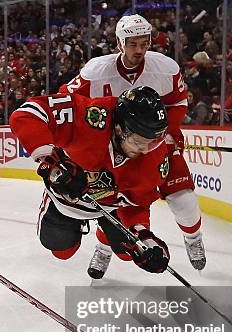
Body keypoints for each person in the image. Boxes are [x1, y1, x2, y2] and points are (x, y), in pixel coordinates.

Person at [59, 14, 205, 279]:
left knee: (184, 198)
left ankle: (193, 238)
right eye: (132, 44)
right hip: (112, 152)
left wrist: (168, 132)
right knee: (111, 203)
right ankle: (104, 249)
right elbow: (65, 100)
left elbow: (178, 102)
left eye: (144, 43)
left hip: (155, 146)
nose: (139, 50)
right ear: (119, 43)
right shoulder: (96, 71)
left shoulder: (165, 69)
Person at [10, 86, 173, 278]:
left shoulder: (153, 156)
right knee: (61, 250)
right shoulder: (91, 116)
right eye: (138, 141)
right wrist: (50, 161)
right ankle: (68, 216)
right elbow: (27, 113)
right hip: (68, 199)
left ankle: (103, 233)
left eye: (152, 142)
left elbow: (137, 203)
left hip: (110, 208)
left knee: (130, 253)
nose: (145, 150)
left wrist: (145, 237)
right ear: (120, 129)